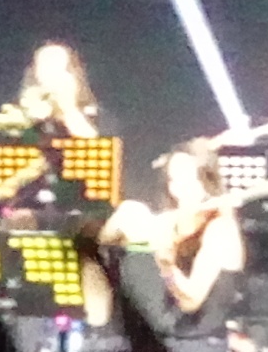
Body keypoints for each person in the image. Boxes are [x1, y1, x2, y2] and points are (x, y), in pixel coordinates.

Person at [97, 140, 248, 337]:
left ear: (205, 180)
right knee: (130, 211)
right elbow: (109, 240)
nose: (178, 188)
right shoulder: (169, 221)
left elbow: (190, 301)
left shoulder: (220, 229)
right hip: (157, 328)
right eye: (172, 180)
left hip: (192, 336)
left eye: (187, 178)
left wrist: (164, 262)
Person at [0, 39, 109, 141]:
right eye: (45, 66)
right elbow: (7, 142)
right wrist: (30, 119)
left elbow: (95, 144)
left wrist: (68, 110)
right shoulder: (17, 111)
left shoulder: (93, 112)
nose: (51, 75)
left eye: (57, 67)